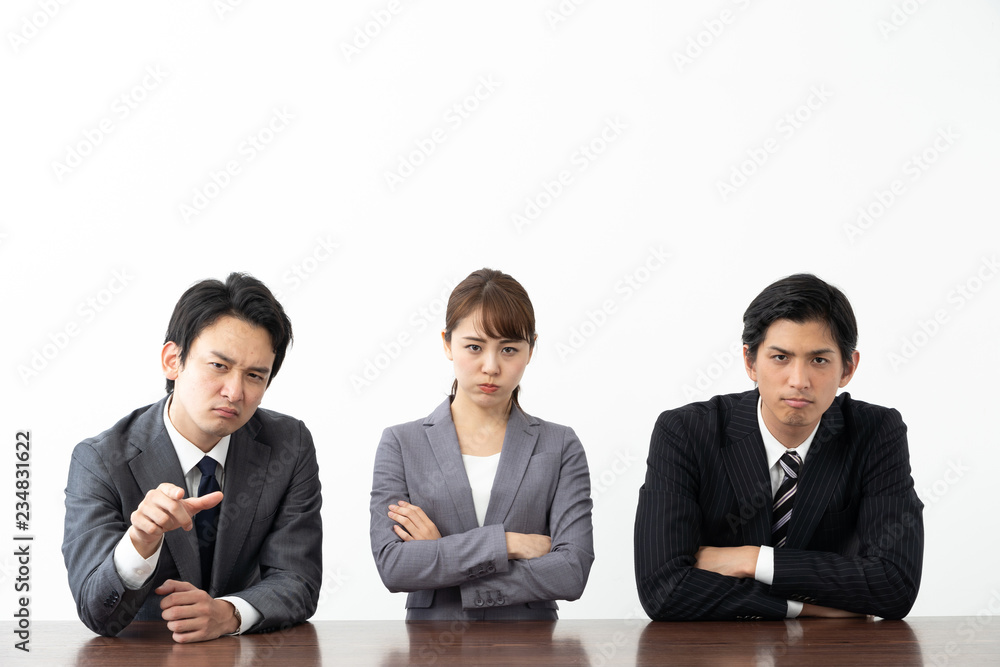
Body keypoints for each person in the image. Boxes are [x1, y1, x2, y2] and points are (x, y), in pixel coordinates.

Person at [634, 273, 923, 620]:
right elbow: (662, 590)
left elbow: (894, 585)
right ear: (750, 362)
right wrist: (801, 609)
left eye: (819, 360)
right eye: (780, 358)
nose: (799, 381)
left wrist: (752, 560)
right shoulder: (685, 432)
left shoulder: (876, 433)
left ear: (847, 368)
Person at [62, 273, 322, 642]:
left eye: (254, 376)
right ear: (173, 360)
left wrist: (229, 613)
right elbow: (96, 611)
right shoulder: (100, 460)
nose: (234, 392)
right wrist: (140, 542)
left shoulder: (289, 444)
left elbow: (298, 581)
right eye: (219, 366)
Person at [369, 268, 594, 619]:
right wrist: (507, 544)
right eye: (474, 347)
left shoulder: (560, 445)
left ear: (531, 349)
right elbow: (394, 566)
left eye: (509, 349)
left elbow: (571, 572)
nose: (491, 367)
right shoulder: (401, 443)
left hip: (531, 648)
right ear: (447, 343)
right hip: (430, 650)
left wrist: (441, 556)